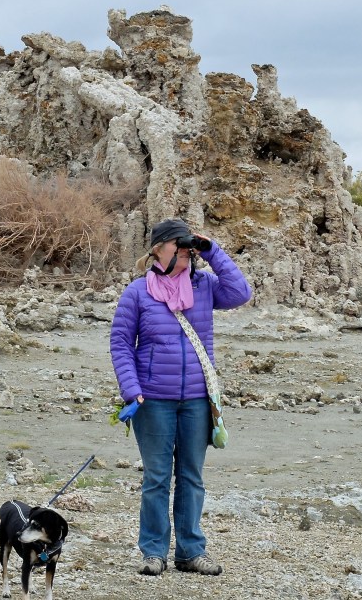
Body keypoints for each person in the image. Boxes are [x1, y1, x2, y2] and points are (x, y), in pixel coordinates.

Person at [109, 218, 252, 577]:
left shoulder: (203, 285)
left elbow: (241, 293)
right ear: (158, 249)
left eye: (189, 246)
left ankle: (190, 552)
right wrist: (132, 390)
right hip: (152, 399)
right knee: (157, 477)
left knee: (191, 477)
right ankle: (153, 552)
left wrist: (212, 250)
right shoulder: (138, 292)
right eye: (180, 245)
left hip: (197, 400)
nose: (187, 252)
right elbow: (121, 343)